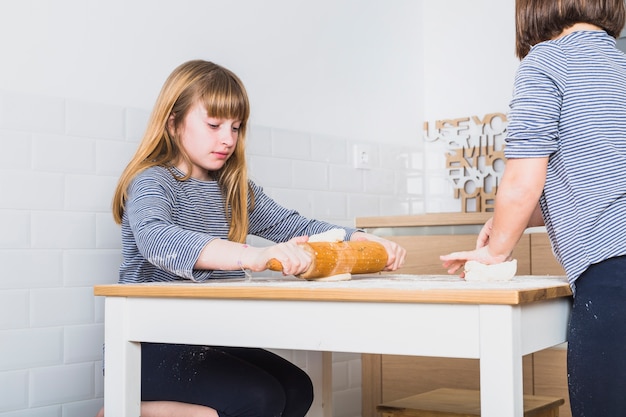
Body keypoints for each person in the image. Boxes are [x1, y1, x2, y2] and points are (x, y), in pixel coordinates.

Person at [95, 59, 406, 417]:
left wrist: (363, 239)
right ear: (173, 122)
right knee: (257, 399)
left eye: (236, 127)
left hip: (209, 340)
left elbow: (291, 224)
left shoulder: (233, 189)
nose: (227, 139)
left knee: (297, 389)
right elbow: (158, 239)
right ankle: (125, 411)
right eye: (213, 125)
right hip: (148, 346)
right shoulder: (152, 181)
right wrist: (251, 255)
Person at [440, 0, 626, 415]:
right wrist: (507, 222)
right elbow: (588, 179)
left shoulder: (546, 61)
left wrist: (494, 250)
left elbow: (524, 180)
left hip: (614, 267)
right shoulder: (621, 67)